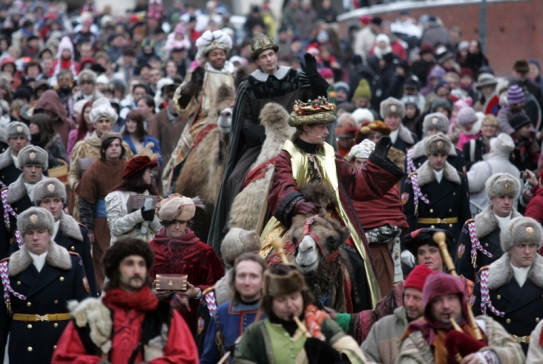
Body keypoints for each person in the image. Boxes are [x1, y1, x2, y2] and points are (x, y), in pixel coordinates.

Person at [261, 98, 404, 310]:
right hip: (295, 217)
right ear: (306, 127)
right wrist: (300, 204)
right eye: (321, 128)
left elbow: (356, 183)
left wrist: (376, 162)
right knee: (266, 260)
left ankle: (359, 314)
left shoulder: (329, 154)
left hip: (331, 218)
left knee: (357, 262)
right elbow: (283, 186)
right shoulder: (287, 155)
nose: (327, 133)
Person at [209, 32, 330, 251]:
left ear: (276, 55)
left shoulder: (296, 78)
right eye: (263, 56)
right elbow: (244, 122)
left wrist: (314, 77)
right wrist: (268, 133)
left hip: (296, 139)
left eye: (271, 54)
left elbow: (318, 103)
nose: (269, 59)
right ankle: (234, 234)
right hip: (261, 143)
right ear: (257, 61)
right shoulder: (249, 86)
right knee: (234, 179)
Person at [51, 237, 199, 363]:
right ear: (115, 269)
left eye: (141, 264)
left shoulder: (164, 314)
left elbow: (187, 358)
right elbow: (64, 359)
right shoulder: (90, 314)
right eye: (129, 263)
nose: (137, 270)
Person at [0, 207, 91, 363]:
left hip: (61, 343)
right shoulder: (8, 268)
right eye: (29, 233)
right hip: (23, 345)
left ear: (50, 233)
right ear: (22, 236)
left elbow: (84, 311)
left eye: (41, 231)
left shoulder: (72, 263)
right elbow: (2, 320)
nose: (35, 237)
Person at [234, 264, 366, 364]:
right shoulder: (256, 333)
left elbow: (356, 357)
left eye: (294, 297)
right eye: (281, 299)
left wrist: (330, 355)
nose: (290, 304)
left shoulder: (321, 323)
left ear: (303, 297)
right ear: (270, 302)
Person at [397, 272, 524, 363]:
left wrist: (488, 358)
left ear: (461, 300)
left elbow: (517, 354)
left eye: (451, 298)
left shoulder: (484, 326)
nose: (446, 306)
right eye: (438, 300)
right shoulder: (418, 337)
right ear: (429, 305)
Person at [165, 29, 235, 183]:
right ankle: (177, 183)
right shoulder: (198, 74)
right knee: (182, 153)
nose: (219, 56)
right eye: (214, 54)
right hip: (203, 121)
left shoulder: (234, 74)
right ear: (207, 57)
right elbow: (181, 103)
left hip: (232, 120)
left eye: (221, 53)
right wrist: (191, 86)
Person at [149, 194, 224, 335]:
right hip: (155, 323)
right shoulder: (148, 251)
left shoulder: (204, 252)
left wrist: (196, 293)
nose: (177, 227)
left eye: (182, 222)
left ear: (188, 222)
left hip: (193, 325)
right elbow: (131, 287)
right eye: (172, 222)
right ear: (165, 222)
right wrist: (149, 293)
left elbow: (221, 288)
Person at [473, 217, 543, 354]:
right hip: (503, 354)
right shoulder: (488, 279)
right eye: (522, 245)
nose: (528, 252)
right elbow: (477, 323)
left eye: (532, 245)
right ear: (509, 247)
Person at [347, 139, 408, 295]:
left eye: (365, 163)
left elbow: (396, 226)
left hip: (377, 253)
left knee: (380, 302)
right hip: (348, 253)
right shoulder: (344, 187)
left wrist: (369, 236)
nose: (361, 168)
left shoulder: (388, 189)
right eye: (358, 162)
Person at [27, 177, 98, 296]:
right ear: (38, 204)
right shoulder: (25, 233)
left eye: (57, 200)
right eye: (46, 201)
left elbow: (89, 273)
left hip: (67, 300)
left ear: (63, 202)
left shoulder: (79, 233)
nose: (52, 206)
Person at [77, 132, 127, 290]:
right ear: (104, 149)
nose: (114, 148)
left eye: (117, 145)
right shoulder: (95, 169)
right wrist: (89, 228)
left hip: (126, 221)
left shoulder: (128, 167)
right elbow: (85, 200)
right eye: (111, 145)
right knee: (102, 260)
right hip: (102, 223)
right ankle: (104, 294)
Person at [68, 98, 132, 219]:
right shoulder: (82, 147)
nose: (104, 124)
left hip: (117, 202)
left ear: (111, 124)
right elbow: (72, 173)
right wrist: (76, 185)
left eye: (107, 121)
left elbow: (131, 172)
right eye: (101, 121)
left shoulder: (123, 147)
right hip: (87, 202)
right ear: (94, 124)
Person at [402, 134, 471, 242]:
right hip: (425, 236)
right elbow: (408, 215)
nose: (439, 159)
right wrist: (407, 244)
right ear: (428, 155)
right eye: (435, 155)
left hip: (452, 236)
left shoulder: (459, 179)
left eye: (442, 155)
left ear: (447, 156)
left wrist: (466, 242)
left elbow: (465, 215)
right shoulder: (414, 180)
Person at [200, 252, 267, 364]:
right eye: (241, 276)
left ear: (264, 281)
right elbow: (209, 359)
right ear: (234, 280)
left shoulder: (276, 312)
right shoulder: (221, 314)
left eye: (253, 276)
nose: (247, 282)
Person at [361, 265, 435, 364]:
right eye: (407, 296)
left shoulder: (440, 330)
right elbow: (365, 357)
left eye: (416, 298)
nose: (409, 303)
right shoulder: (383, 327)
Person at [455, 174, 521, 281]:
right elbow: (463, 270)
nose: (507, 202)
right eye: (501, 197)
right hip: (485, 290)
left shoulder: (523, 227)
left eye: (510, 197)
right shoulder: (473, 228)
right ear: (491, 198)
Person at [105, 147, 162, 244]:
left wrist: (152, 219)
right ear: (139, 174)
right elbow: (115, 228)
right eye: (149, 171)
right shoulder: (116, 196)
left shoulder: (152, 196)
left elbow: (160, 231)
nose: (151, 175)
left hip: (148, 252)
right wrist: (139, 215)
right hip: (124, 252)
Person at [0, 145, 48, 259]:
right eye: (29, 166)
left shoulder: (53, 194)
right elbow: (2, 234)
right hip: (17, 252)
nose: (33, 170)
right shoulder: (7, 195)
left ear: (43, 168)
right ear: (22, 167)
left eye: (37, 166)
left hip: (46, 252)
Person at [467, 133, 521, 214]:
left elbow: (468, 186)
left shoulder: (483, 166)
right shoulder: (516, 171)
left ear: (493, 149)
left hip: (482, 216)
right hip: (508, 218)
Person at [0, 122, 30, 187]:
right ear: (8, 141)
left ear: (27, 141)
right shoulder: (1, 163)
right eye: (15, 138)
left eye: (22, 138)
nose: (18, 142)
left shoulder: (36, 161)